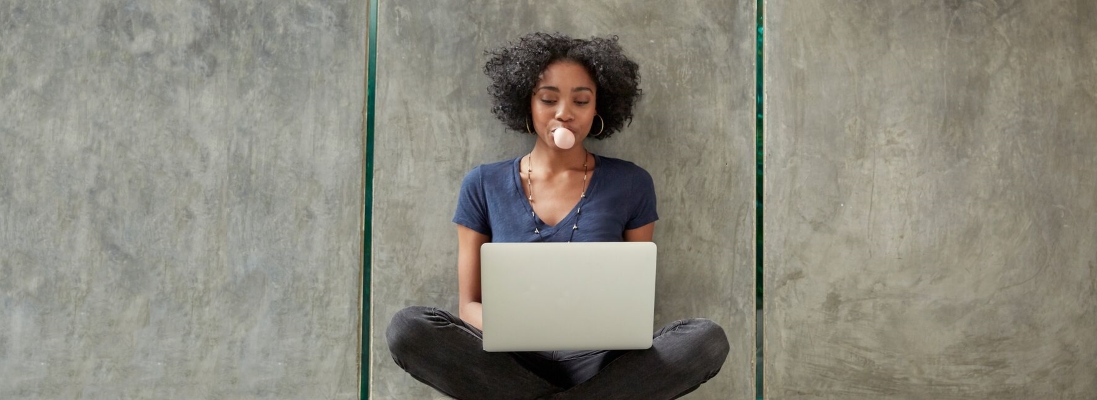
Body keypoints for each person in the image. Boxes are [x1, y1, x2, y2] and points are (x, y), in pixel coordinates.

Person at [386, 32, 729, 400]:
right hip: (510, 360)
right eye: (549, 99)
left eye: (580, 100)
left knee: (705, 340)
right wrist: (515, 329)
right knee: (409, 328)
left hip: (601, 360)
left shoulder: (631, 182)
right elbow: (469, 305)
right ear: (527, 104)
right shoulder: (483, 183)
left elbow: (635, 299)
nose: (564, 112)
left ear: (598, 109)